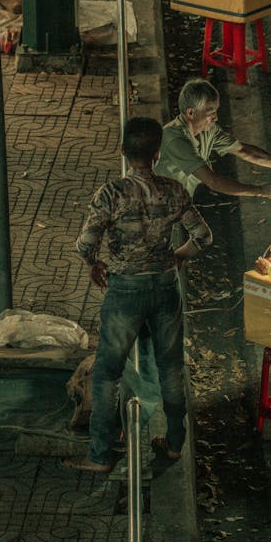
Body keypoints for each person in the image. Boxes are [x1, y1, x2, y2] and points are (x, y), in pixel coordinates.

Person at [63, 117, 212, 473]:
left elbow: (85, 243)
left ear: (123, 152)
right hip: (164, 288)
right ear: (157, 153)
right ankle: (174, 444)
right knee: (170, 368)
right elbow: (204, 237)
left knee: (107, 373)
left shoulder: (110, 194)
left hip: (125, 291)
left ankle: (100, 453)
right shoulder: (174, 190)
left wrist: (93, 263)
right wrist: (176, 257)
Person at [155, 78, 271, 199]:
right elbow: (213, 181)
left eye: (216, 110)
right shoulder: (175, 139)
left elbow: (243, 150)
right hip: (158, 203)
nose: (215, 117)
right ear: (191, 113)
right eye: (210, 112)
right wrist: (260, 191)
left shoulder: (208, 130)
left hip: (180, 200)